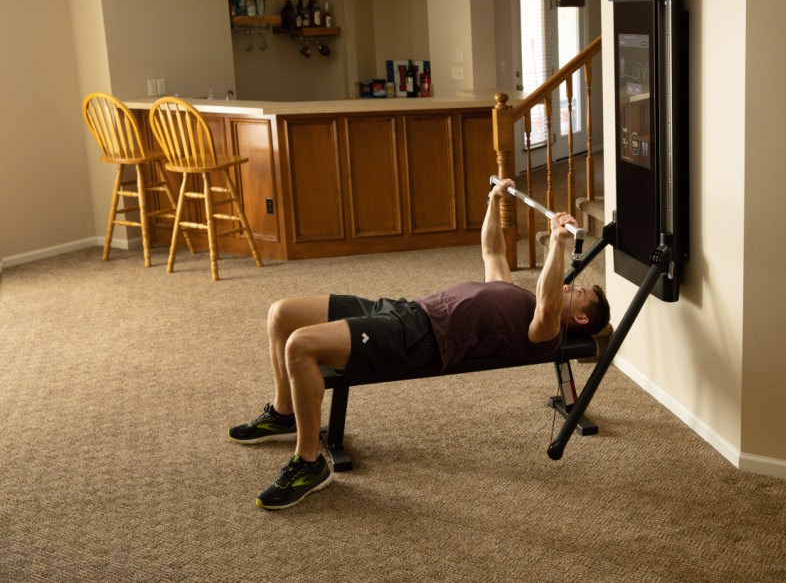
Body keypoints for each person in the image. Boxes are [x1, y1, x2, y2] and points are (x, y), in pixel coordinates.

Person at [228, 178, 611, 510]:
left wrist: (557, 245)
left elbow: (547, 304)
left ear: (580, 318)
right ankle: (284, 414)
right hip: (403, 310)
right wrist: (494, 202)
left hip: (417, 337)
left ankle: (309, 462)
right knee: (281, 314)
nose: (569, 285)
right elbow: (492, 251)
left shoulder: (544, 335)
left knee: (300, 345)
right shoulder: (514, 295)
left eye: (577, 292)